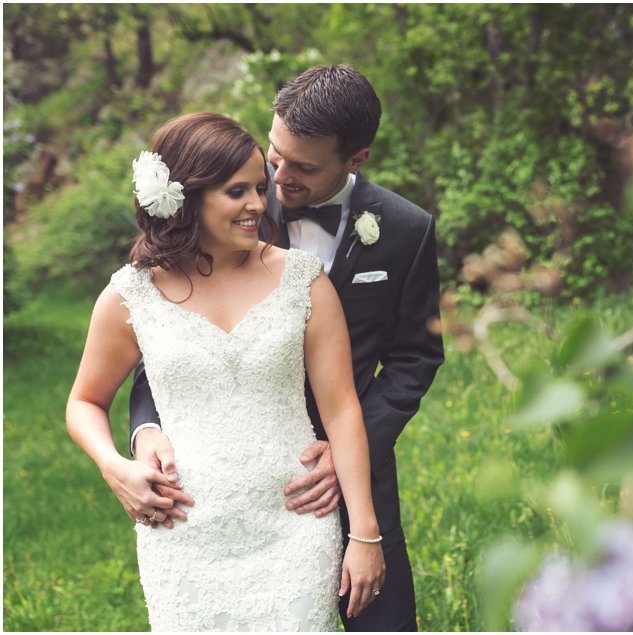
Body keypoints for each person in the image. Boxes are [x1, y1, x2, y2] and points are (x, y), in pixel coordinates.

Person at [129, 65, 445, 631]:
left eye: (302, 166)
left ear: (357, 158)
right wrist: (146, 428)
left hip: (346, 464)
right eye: (276, 154)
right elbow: (169, 335)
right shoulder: (226, 204)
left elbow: (414, 357)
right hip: (223, 482)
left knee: (382, 619)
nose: (277, 177)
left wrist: (348, 446)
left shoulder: (406, 229)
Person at [65, 112, 385, 631]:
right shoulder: (131, 294)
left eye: (260, 187)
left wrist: (364, 534)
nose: (259, 204)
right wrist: (113, 465)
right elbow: (84, 402)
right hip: (184, 531)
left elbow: (343, 408)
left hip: (295, 526)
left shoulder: (304, 282)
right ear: (188, 196)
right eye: (236, 192)